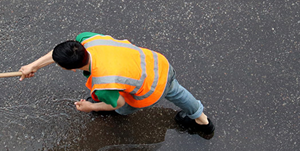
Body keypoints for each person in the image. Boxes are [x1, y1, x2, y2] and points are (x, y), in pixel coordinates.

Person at [19, 32, 215, 137]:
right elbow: (57, 54)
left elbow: (118, 102)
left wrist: (91, 107)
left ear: (69, 70)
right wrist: (33, 66)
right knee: (177, 92)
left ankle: (106, 111)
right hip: (159, 65)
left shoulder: (103, 83)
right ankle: (202, 121)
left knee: (121, 109)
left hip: (151, 90)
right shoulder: (88, 39)